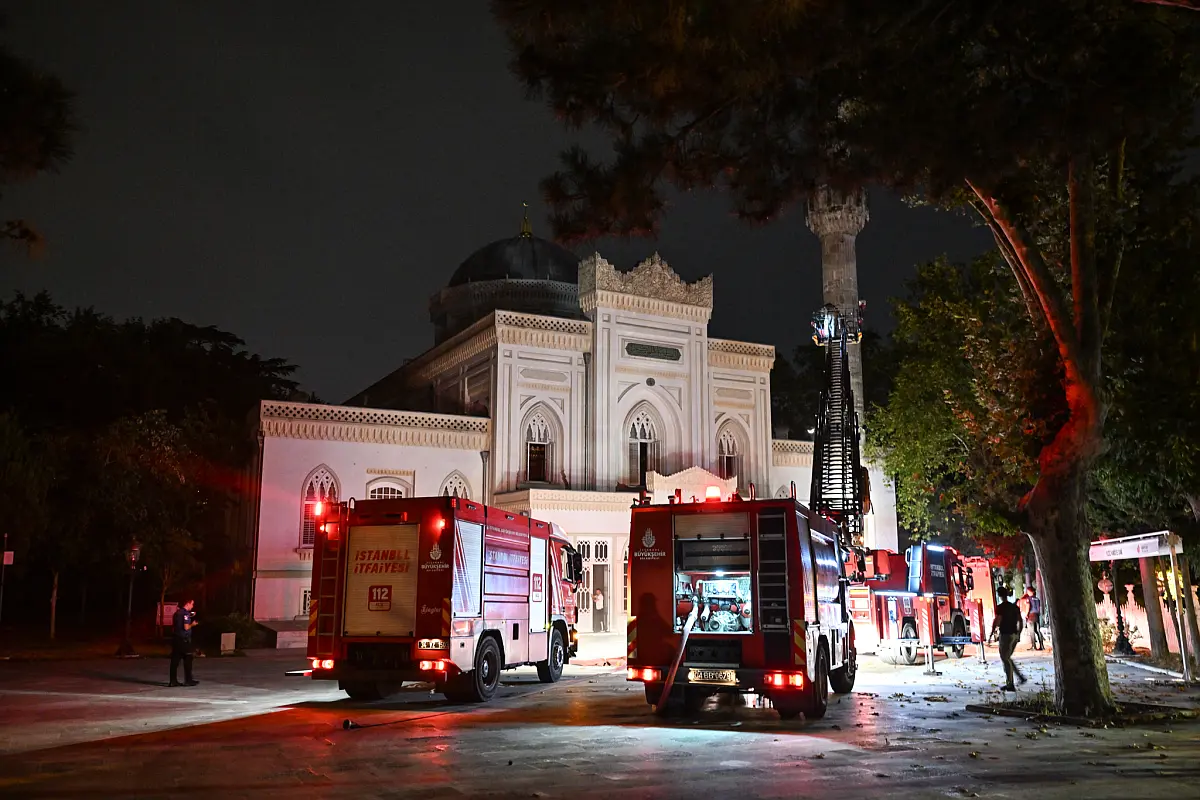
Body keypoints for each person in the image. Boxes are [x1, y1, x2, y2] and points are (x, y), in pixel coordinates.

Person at [991, 587, 1026, 691]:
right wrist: (1019, 633)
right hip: (1014, 635)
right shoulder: (1014, 607)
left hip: (1005, 634)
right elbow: (1020, 621)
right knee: (1007, 658)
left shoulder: (1000, 608)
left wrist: (992, 632)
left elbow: (997, 620)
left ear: (999, 595)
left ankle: (1010, 684)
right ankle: (1019, 677)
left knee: (1005, 658)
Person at [169, 599, 199, 687]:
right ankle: (188, 680)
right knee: (188, 658)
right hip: (183, 640)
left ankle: (173, 681)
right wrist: (192, 624)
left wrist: (190, 615)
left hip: (176, 638)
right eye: (192, 604)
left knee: (175, 660)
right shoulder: (185, 614)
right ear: (188, 603)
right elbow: (186, 627)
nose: (192, 606)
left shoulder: (177, 613)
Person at [1023, 586, 1044, 650]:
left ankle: (1033, 646)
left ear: (1029, 591)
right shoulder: (1037, 599)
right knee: (1038, 630)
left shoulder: (1028, 599)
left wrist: (1026, 614)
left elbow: (1028, 606)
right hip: (1036, 616)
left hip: (1031, 616)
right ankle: (1041, 645)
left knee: (1031, 631)